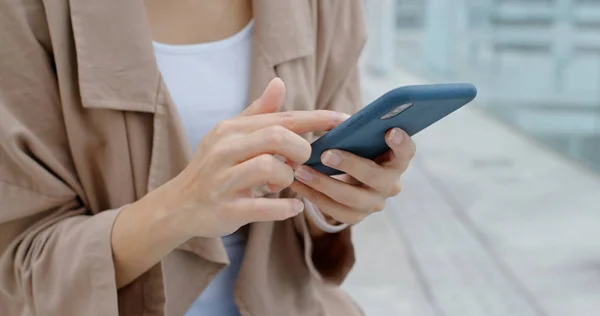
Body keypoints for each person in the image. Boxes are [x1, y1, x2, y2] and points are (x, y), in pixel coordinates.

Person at [0, 1, 416, 315]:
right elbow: (19, 270)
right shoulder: (26, 13)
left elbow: (318, 225)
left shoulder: (327, 7)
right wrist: (180, 208)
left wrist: (336, 202)